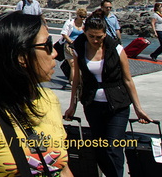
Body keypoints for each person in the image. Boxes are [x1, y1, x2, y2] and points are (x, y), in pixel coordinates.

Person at [0, 11, 72, 177]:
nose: (54, 53)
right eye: (47, 45)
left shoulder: (50, 100)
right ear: (21, 57)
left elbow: (63, 169)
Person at [64, 14, 151, 177]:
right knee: (99, 148)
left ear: (105, 34)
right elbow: (77, 79)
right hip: (92, 104)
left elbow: (127, 79)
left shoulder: (116, 48)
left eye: (99, 37)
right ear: (84, 31)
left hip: (117, 105)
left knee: (113, 146)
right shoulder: (79, 47)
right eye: (91, 36)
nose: (95, 41)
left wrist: (138, 108)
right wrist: (72, 106)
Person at [59, 7, 87, 86]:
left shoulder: (84, 25)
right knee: (73, 64)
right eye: (81, 16)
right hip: (69, 46)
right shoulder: (70, 23)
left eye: (84, 17)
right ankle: (73, 83)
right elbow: (64, 33)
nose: (82, 18)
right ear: (77, 15)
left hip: (80, 47)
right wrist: (71, 41)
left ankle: (72, 81)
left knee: (78, 65)